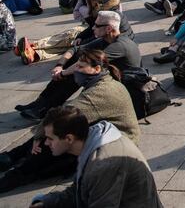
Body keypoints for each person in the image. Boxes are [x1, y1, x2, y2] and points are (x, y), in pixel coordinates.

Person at [0, 49, 142, 194]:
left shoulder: (99, 92)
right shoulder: (104, 80)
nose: (76, 70)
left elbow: (61, 117)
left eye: (80, 67)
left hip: (115, 149)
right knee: (50, 134)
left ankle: (17, 174)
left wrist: (39, 135)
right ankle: (13, 157)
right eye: (76, 66)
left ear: (97, 69)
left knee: (56, 136)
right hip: (110, 137)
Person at [29, 106, 161, 207]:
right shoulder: (91, 144)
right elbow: (79, 191)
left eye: (50, 138)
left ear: (69, 138)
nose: (46, 143)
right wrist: (46, 202)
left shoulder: (102, 165)